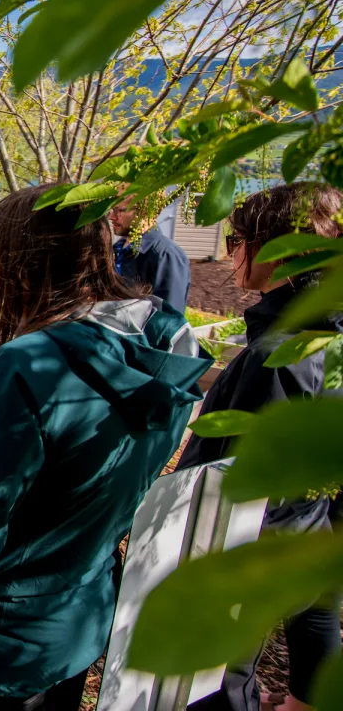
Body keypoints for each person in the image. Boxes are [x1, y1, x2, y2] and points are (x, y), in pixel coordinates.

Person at [0, 185, 209, 711]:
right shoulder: (165, 346)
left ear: (23, 267)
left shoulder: (31, 366)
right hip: (81, 609)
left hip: (1, 629)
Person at [176, 183, 343, 711]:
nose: (231, 254)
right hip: (310, 533)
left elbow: (241, 485)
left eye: (237, 239)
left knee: (221, 681)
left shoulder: (280, 355)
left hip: (250, 557)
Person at [109, 200, 192, 313]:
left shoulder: (166, 256)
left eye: (120, 211)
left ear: (145, 211)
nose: (112, 217)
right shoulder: (114, 251)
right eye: (112, 210)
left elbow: (168, 319)